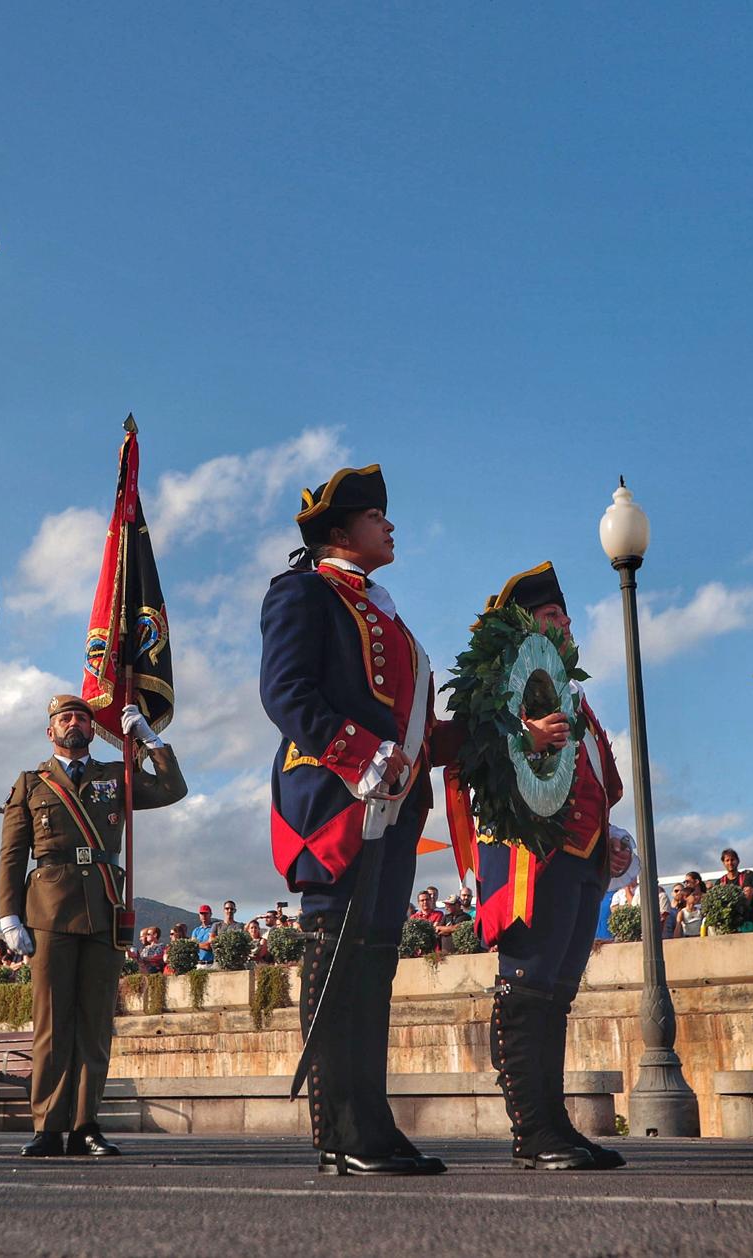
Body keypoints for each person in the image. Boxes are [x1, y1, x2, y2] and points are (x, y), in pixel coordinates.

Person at [259, 464, 444, 1177]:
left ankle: (371, 1118)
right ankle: (340, 1129)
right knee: (338, 960)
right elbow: (287, 693)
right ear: (340, 532)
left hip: (394, 806)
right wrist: (358, 755)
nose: (390, 526)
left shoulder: (388, 615)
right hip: (337, 799)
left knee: (372, 967)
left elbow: (411, 722)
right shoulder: (304, 592)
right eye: (377, 517)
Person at [0, 694, 186, 1158]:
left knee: (95, 1023)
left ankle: (86, 1125)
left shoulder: (114, 775)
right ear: (51, 730)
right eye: (65, 718)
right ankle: (47, 1126)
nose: (74, 723)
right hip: (48, 910)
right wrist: (8, 915)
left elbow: (171, 790)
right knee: (52, 1025)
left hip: (104, 907)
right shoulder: (31, 782)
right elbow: (12, 854)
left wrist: (148, 740)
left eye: (82, 716)